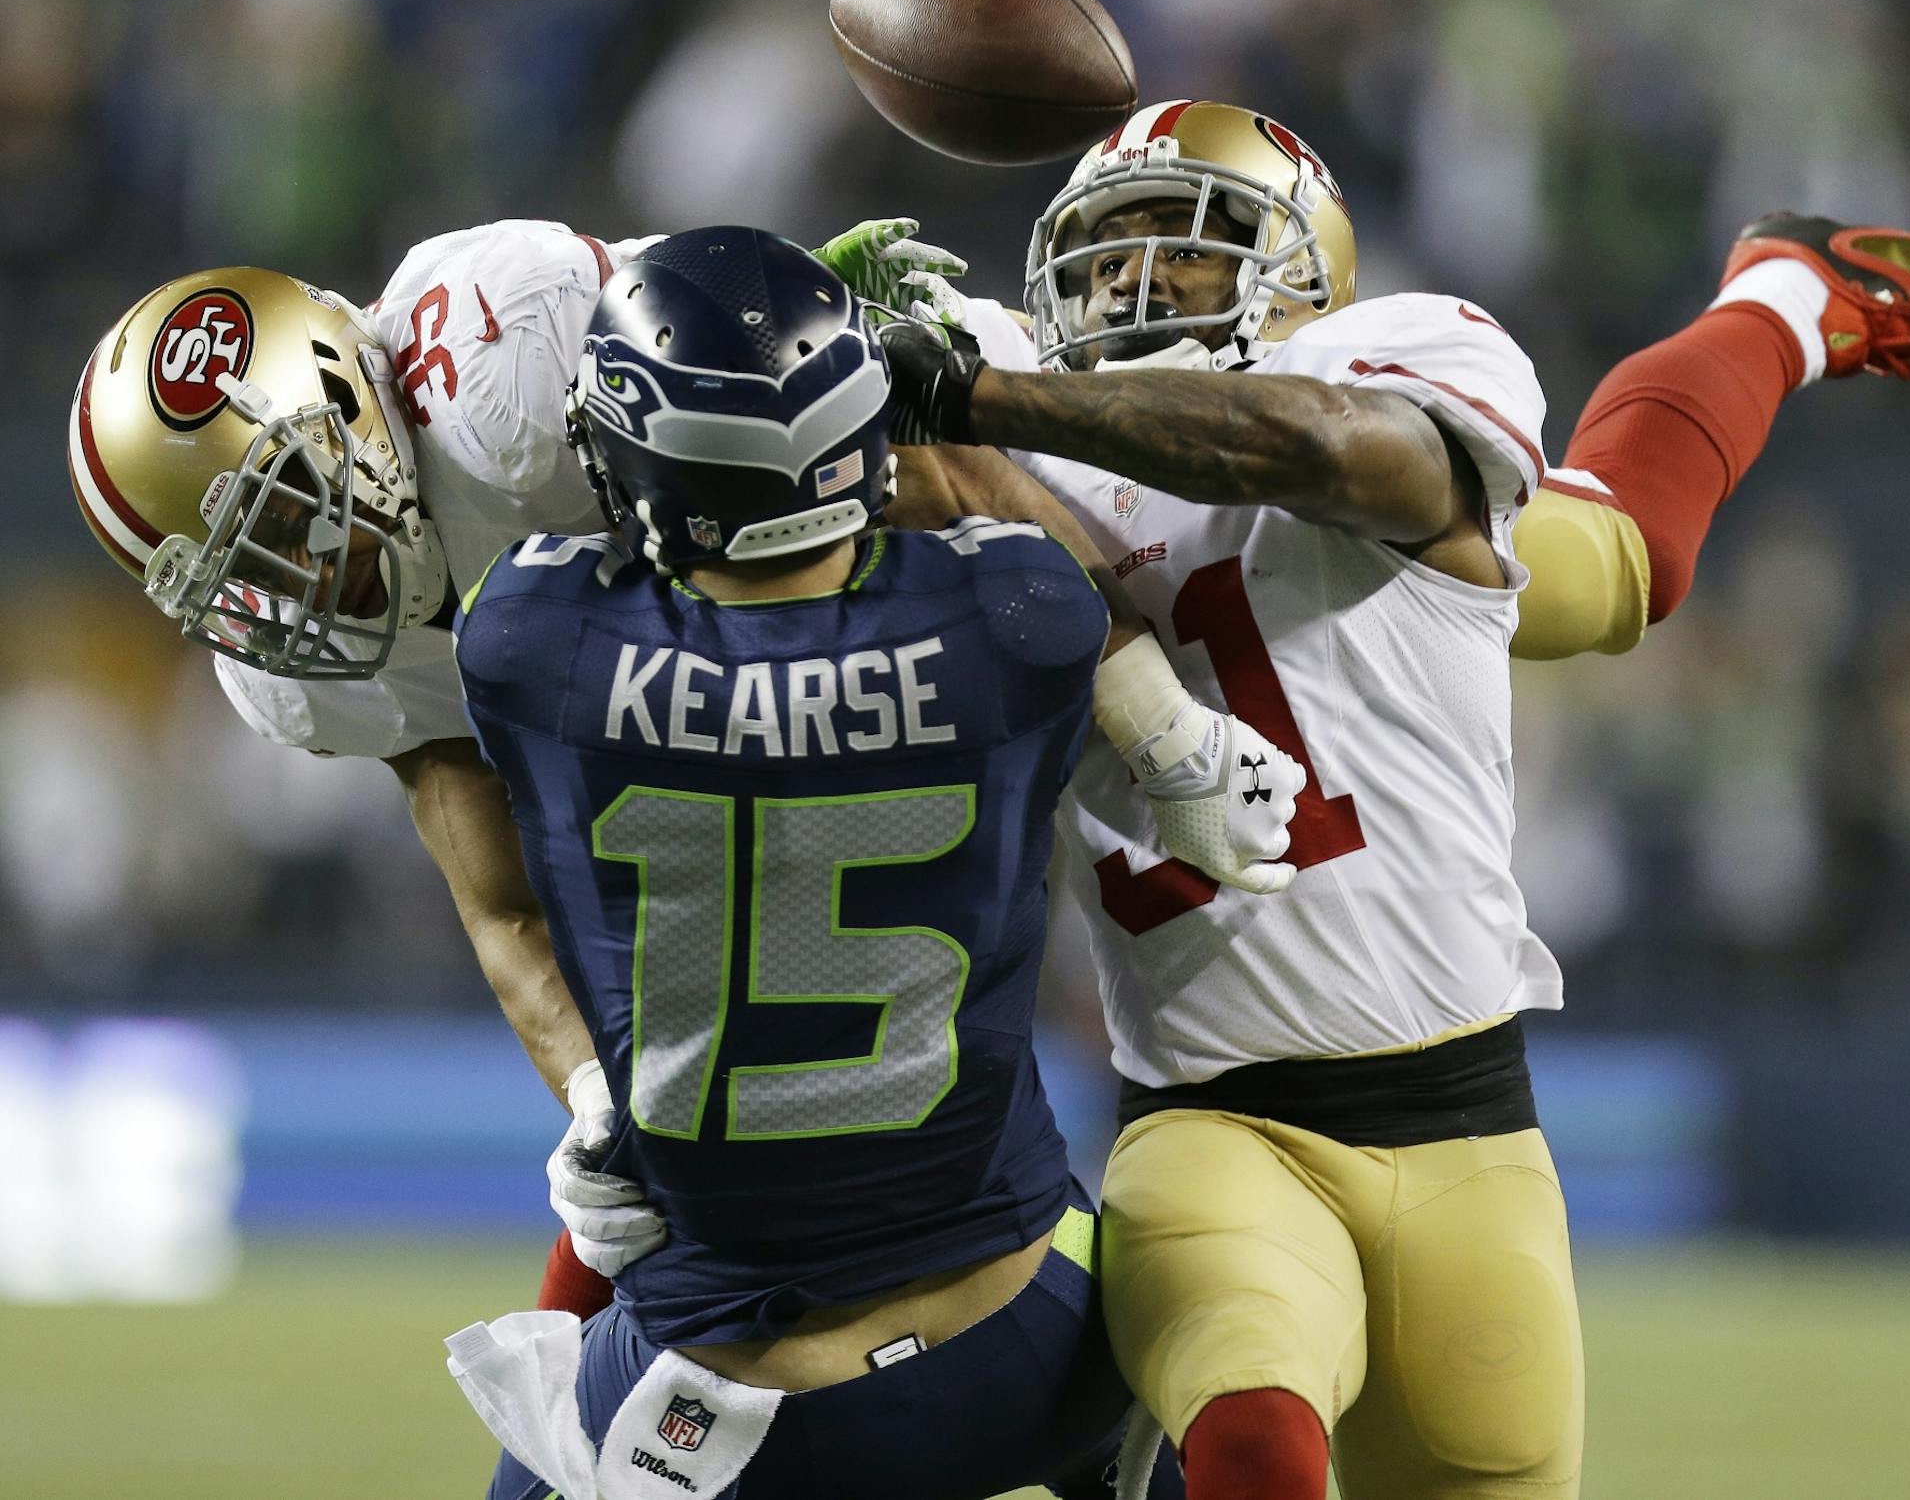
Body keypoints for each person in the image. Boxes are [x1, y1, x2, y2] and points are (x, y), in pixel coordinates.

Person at [868, 98, 1910, 1500]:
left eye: (1187, 248)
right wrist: (846, 356)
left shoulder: (1377, 354)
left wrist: (975, 396)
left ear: (1300, 268)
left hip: (1466, 1121)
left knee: (1621, 559)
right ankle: (1790, 289)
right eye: (1102, 257)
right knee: (1256, 1434)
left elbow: (1335, 452)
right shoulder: (989, 420)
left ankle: (1791, 288)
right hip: (1214, 1118)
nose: (1134, 284)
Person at [66, 214, 1301, 1333]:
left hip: (862, 577)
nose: (291, 590)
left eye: (284, 516)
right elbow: (496, 888)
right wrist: (593, 1095)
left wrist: (1157, 720)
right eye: (231, 573)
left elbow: (899, 458)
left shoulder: (501, 370)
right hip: (701, 772)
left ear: (347, 402)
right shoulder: (298, 669)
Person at [449, 226, 1210, 1499]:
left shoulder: (536, 637)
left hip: (733, 1403)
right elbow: (966, 499)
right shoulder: (1017, 617)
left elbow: (577, 529)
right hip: (1017, 1339)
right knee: (1175, 1406)